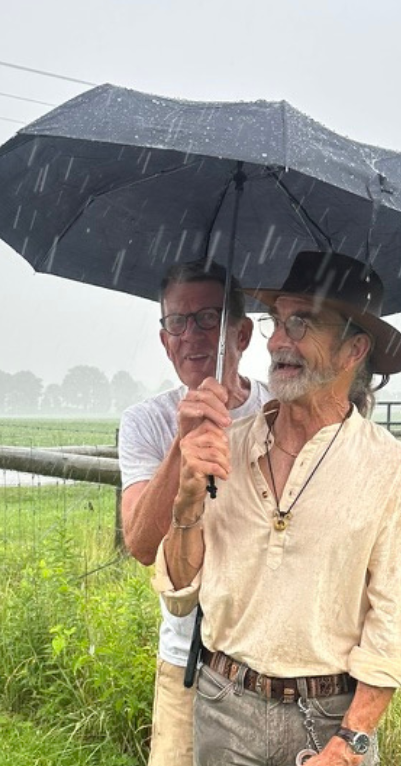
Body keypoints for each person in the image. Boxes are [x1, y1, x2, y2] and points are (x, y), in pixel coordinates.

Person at [155, 251, 401, 766]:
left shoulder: (392, 469)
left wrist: (352, 742)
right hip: (221, 704)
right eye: (277, 322)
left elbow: (393, 624)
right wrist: (187, 502)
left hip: (330, 719)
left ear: (354, 349)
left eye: (301, 323)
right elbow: (178, 596)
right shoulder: (227, 446)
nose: (280, 341)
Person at [119, 259, 271, 766]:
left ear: (242, 333)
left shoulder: (279, 416)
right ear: (164, 340)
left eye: (209, 318)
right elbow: (141, 545)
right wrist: (181, 442)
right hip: (185, 657)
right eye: (176, 323)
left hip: (263, 662)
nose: (191, 336)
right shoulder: (144, 423)